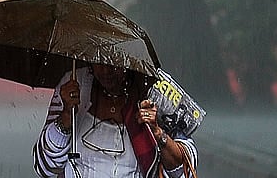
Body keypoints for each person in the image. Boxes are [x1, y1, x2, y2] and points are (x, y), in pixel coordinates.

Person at [32, 64, 198, 178]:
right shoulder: (74, 84)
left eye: (114, 63)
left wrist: (157, 132)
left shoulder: (153, 89)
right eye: (100, 62)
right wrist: (67, 114)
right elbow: (45, 166)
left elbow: (185, 171)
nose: (106, 71)